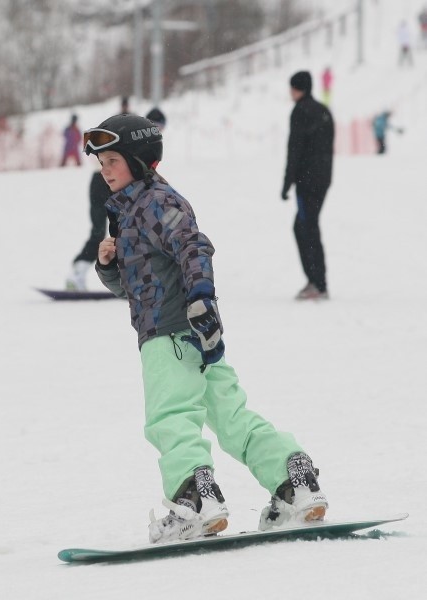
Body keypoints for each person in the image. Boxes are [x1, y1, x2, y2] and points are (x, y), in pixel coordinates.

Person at [82, 113, 328, 543]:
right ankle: (295, 481)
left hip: (168, 336)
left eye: (113, 163)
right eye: (102, 165)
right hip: (193, 334)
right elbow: (137, 285)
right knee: (231, 417)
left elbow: (194, 247)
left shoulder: (156, 203)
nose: (105, 173)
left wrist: (200, 298)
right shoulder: (128, 212)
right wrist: (108, 264)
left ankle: (194, 500)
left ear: (140, 161)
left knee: (170, 416)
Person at [66, 98, 141, 290]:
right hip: (103, 182)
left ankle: (81, 270)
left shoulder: (121, 126)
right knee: (105, 231)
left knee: (118, 230)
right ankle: (78, 271)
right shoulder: (115, 130)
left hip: (105, 181)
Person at [281, 71, 334, 301]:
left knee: (305, 228)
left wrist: (287, 182)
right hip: (322, 180)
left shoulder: (299, 112)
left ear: (297, 88)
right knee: (306, 226)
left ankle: (317, 283)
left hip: (306, 181)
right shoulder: (324, 111)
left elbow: (295, 149)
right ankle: (317, 281)